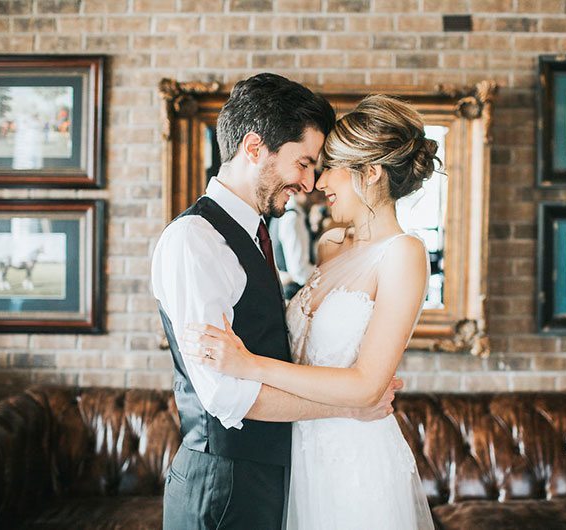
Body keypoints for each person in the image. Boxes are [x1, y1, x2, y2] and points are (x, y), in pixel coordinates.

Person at [150, 74, 404, 530]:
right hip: (222, 486)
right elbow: (226, 395)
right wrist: (349, 408)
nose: (309, 183)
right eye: (303, 163)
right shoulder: (194, 240)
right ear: (254, 148)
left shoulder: (256, 234)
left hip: (274, 479)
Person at [269, 191, 316, 300]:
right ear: (304, 193)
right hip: (292, 295)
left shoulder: (289, 213)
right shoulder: (292, 218)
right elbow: (299, 271)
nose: (317, 201)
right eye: (317, 196)